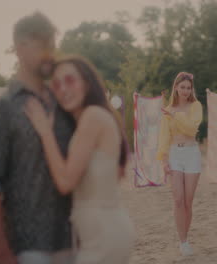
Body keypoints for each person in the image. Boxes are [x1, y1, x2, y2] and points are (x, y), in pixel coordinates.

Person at [0, 12, 76, 264]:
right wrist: (2, 252)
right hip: (28, 248)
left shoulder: (63, 105)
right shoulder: (2, 109)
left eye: (52, 45)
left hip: (69, 243)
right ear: (20, 48)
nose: (50, 52)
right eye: (43, 44)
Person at [24, 56, 136, 264]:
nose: (63, 89)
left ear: (86, 82)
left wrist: (44, 131)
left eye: (70, 80)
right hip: (99, 234)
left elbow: (66, 182)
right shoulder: (88, 120)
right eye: (56, 84)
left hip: (105, 237)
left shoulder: (92, 116)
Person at [156, 72, 203, 256]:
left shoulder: (196, 106)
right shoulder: (168, 109)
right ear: (176, 87)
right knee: (177, 200)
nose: (185, 91)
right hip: (175, 153)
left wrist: (176, 115)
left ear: (191, 89)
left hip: (192, 153)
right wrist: (164, 160)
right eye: (182, 87)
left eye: (188, 88)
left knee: (188, 201)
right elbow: (164, 137)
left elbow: (192, 129)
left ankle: (186, 236)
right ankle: (182, 241)